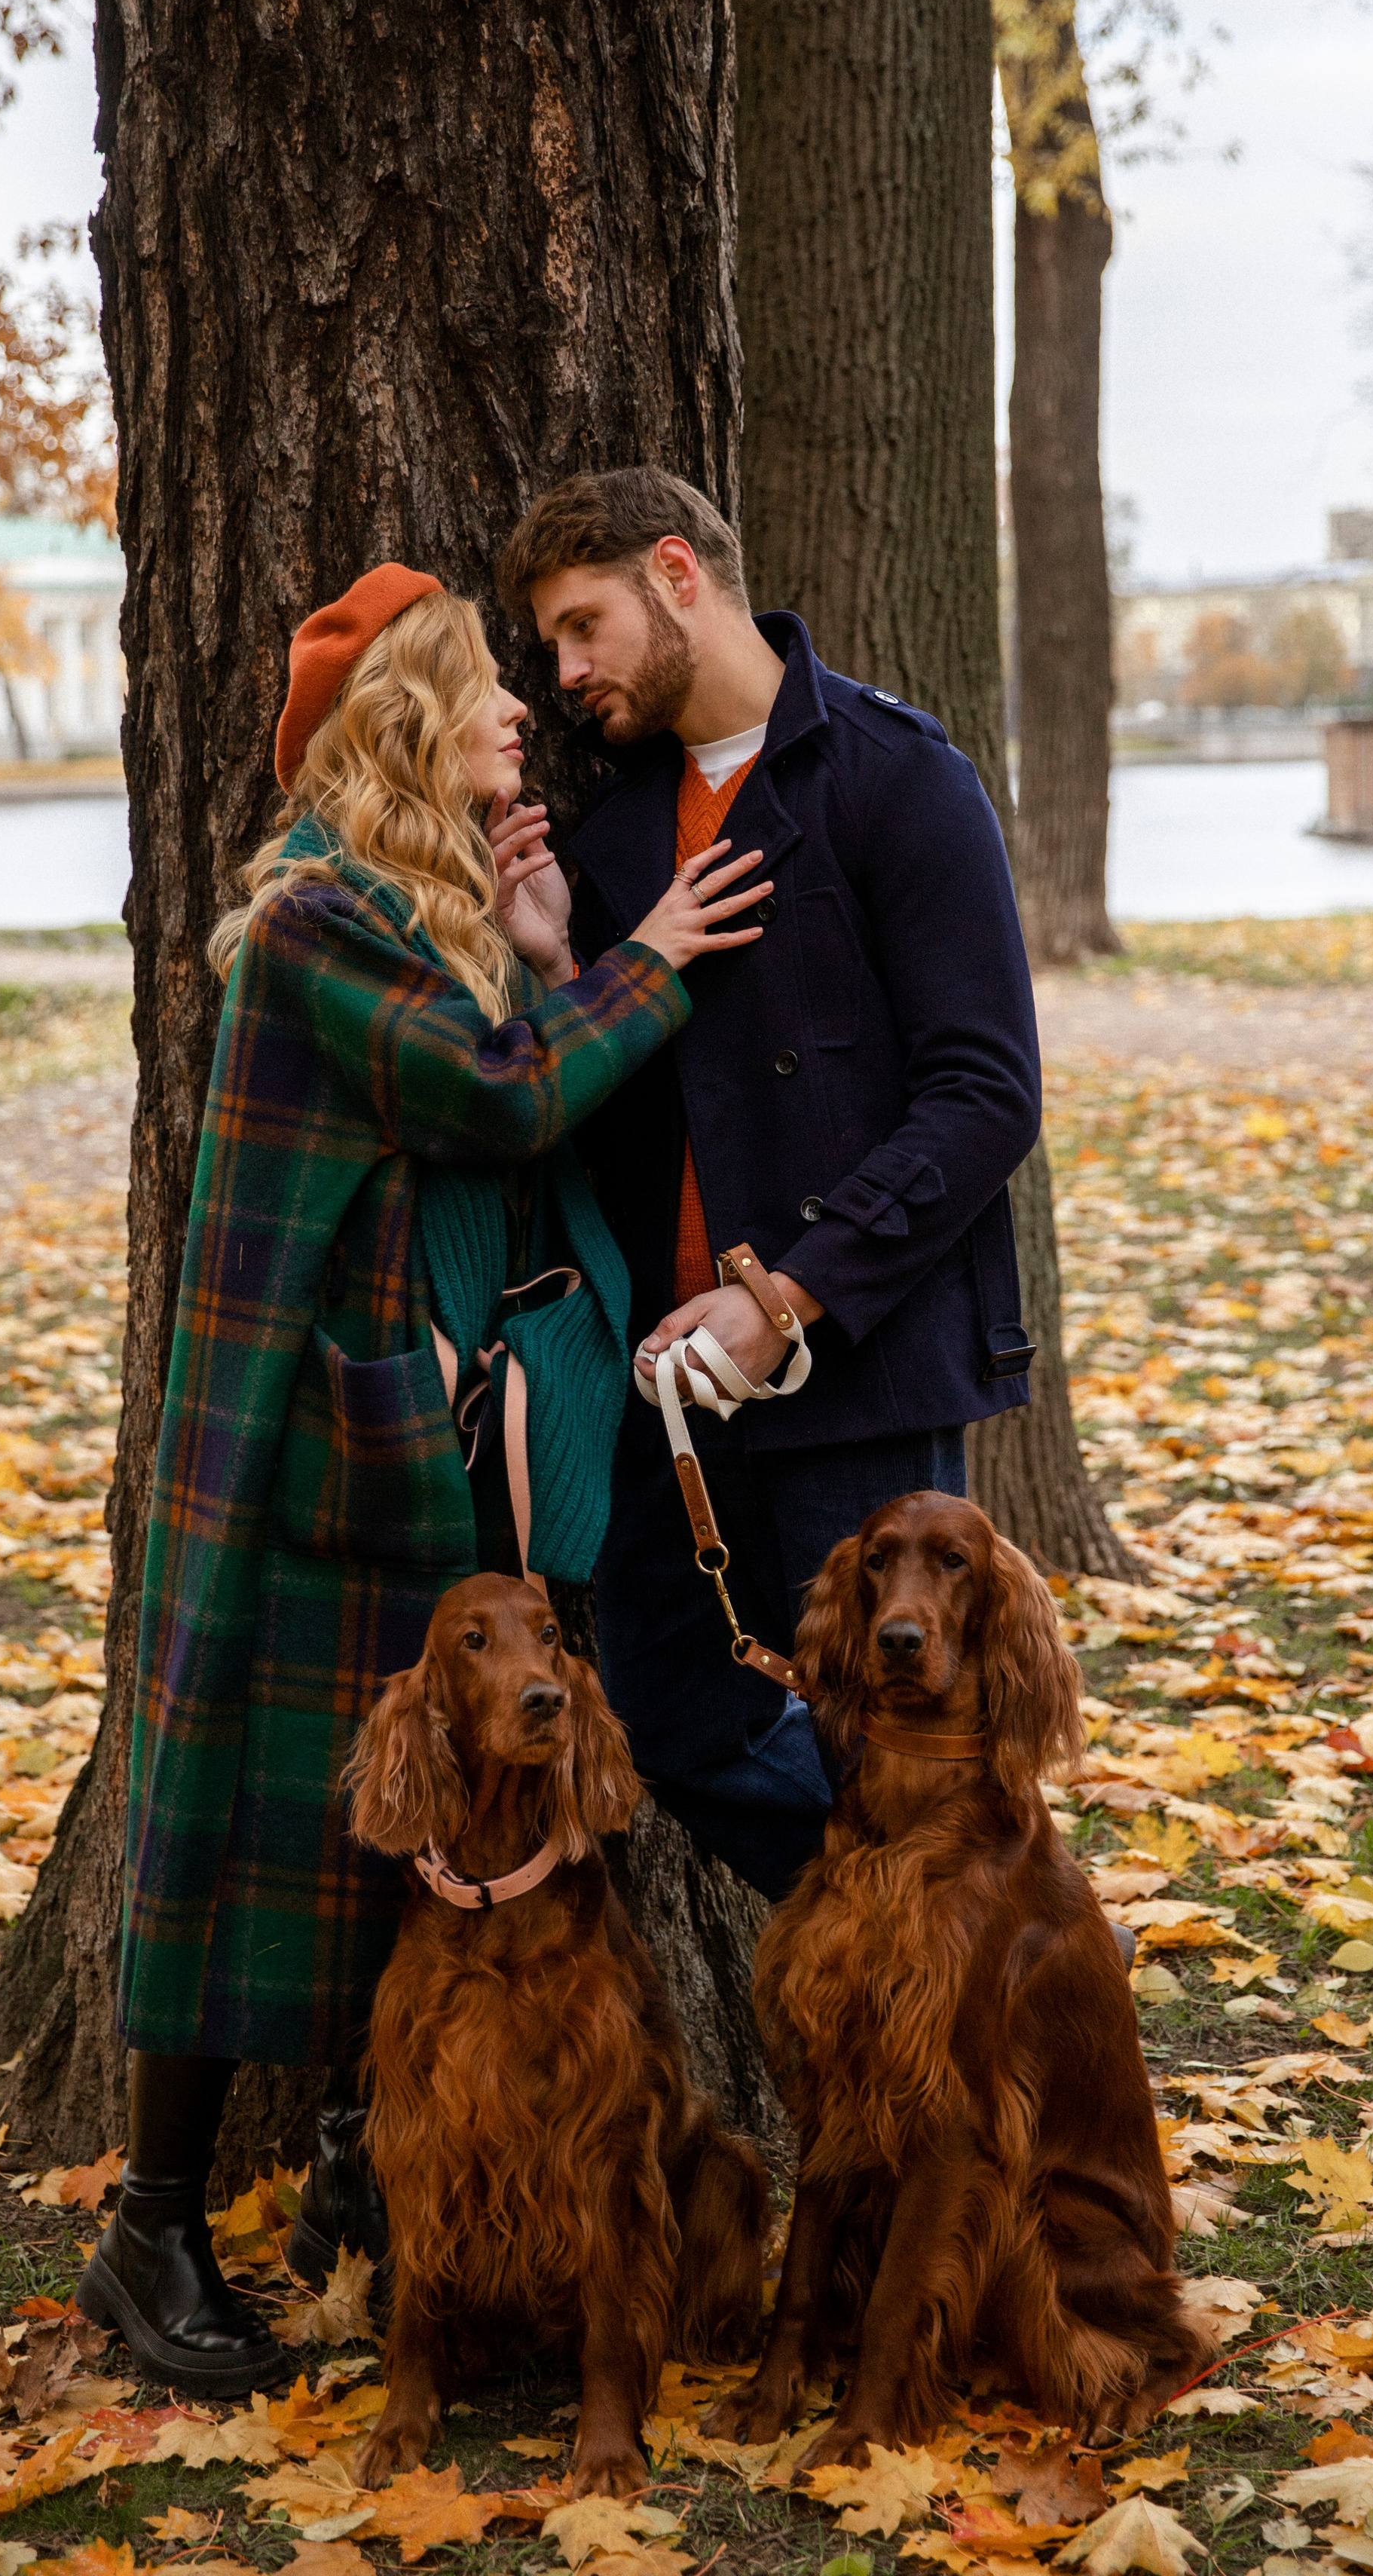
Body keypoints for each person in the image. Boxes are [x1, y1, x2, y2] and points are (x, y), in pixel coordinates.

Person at [80, 564, 767, 2397]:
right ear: (403, 721)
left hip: (393, 1447)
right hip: (301, 1455)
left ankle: (344, 2194)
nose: (516, 715)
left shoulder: (416, 916)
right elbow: (496, 1098)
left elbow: (503, 1078)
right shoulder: (318, 924)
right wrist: (646, 960)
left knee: (366, 1850)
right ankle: (148, 2236)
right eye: (482, 691)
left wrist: (547, 953)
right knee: (240, 1829)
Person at [494, 470, 1044, 1901]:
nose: (564, 676)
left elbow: (987, 1095)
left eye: (582, 626)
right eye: (551, 646)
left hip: (854, 1370)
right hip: (660, 1388)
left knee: (907, 1747)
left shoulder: (894, 775)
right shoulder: (615, 835)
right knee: (675, 1720)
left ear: (678, 572)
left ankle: (977, 2025)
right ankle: (920, 1931)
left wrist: (787, 1299)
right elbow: (611, 1114)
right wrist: (565, 970)